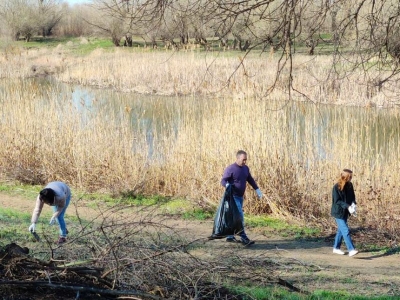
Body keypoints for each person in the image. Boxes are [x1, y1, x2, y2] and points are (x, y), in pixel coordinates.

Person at [221, 150, 262, 245]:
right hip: (232, 197)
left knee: (233, 217)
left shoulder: (245, 168)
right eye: (243, 160)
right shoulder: (230, 169)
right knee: (239, 216)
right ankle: (244, 238)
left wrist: (257, 189)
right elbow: (223, 181)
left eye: (246, 160)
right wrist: (227, 185)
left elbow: (250, 179)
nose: (245, 162)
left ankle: (230, 236)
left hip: (240, 197)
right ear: (238, 158)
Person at [331, 169, 358, 257]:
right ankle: (351, 249)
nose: (351, 178)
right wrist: (347, 206)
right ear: (345, 177)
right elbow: (337, 201)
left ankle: (336, 248)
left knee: (340, 230)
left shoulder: (350, 185)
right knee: (345, 230)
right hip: (338, 212)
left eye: (351, 176)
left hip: (346, 211)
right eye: (349, 177)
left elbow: (352, 196)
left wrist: (353, 204)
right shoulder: (336, 187)